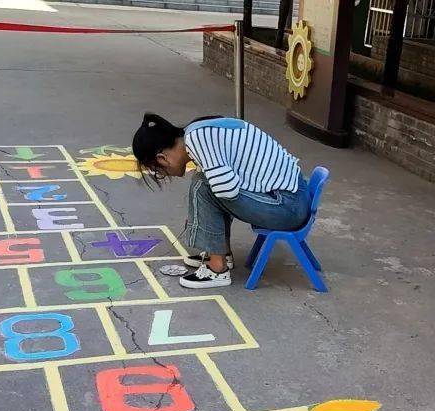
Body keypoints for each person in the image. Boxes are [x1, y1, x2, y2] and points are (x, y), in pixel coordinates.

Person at [131, 112, 311, 290]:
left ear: (162, 158)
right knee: (206, 181)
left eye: (156, 170)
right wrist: (200, 216)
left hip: (287, 207)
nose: (161, 174)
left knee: (203, 186)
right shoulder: (196, 131)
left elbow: (226, 190)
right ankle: (220, 253)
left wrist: (199, 217)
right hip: (290, 199)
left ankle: (217, 269)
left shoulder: (197, 139)